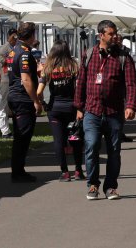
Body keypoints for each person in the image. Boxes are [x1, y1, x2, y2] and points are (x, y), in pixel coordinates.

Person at [75, 20, 136, 200]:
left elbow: (131, 84)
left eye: (115, 33)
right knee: (92, 145)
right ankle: (93, 184)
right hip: (92, 111)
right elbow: (81, 82)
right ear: (101, 35)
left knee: (114, 151)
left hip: (114, 113)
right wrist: (78, 107)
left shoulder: (123, 57)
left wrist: (131, 105)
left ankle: (110, 186)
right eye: (111, 33)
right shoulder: (88, 55)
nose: (115, 36)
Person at [37, 41, 83, 181]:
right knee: (75, 139)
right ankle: (78, 170)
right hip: (72, 109)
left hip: (55, 108)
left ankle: (64, 172)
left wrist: (43, 103)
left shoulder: (48, 69)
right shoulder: (74, 66)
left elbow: (39, 92)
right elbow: (79, 88)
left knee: (58, 141)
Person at [7, 22, 42, 183]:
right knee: (23, 136)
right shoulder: (25, 52)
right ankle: (18, 171)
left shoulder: (14, 50)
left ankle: (18, 170)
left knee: (20, 136)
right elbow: (26, 79)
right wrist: (36, 100)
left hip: (15, 96)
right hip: (22, 98)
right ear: (31, 35)